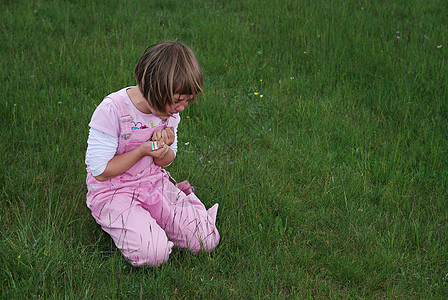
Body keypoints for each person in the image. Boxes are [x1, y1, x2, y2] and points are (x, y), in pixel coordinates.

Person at [85, 41, 220, 267]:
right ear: (155, 91)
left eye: (187, 101)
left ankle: (172, 208)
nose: (182, 108)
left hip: (151, 183)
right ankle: (121, 220)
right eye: (178, 101)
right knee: (153, 254)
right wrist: (141, 151)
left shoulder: (170, 112)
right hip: (113, 190)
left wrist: (164, 149)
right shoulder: (112, 111)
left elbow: (166, 162)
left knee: (205, 239)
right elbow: (101, 171)